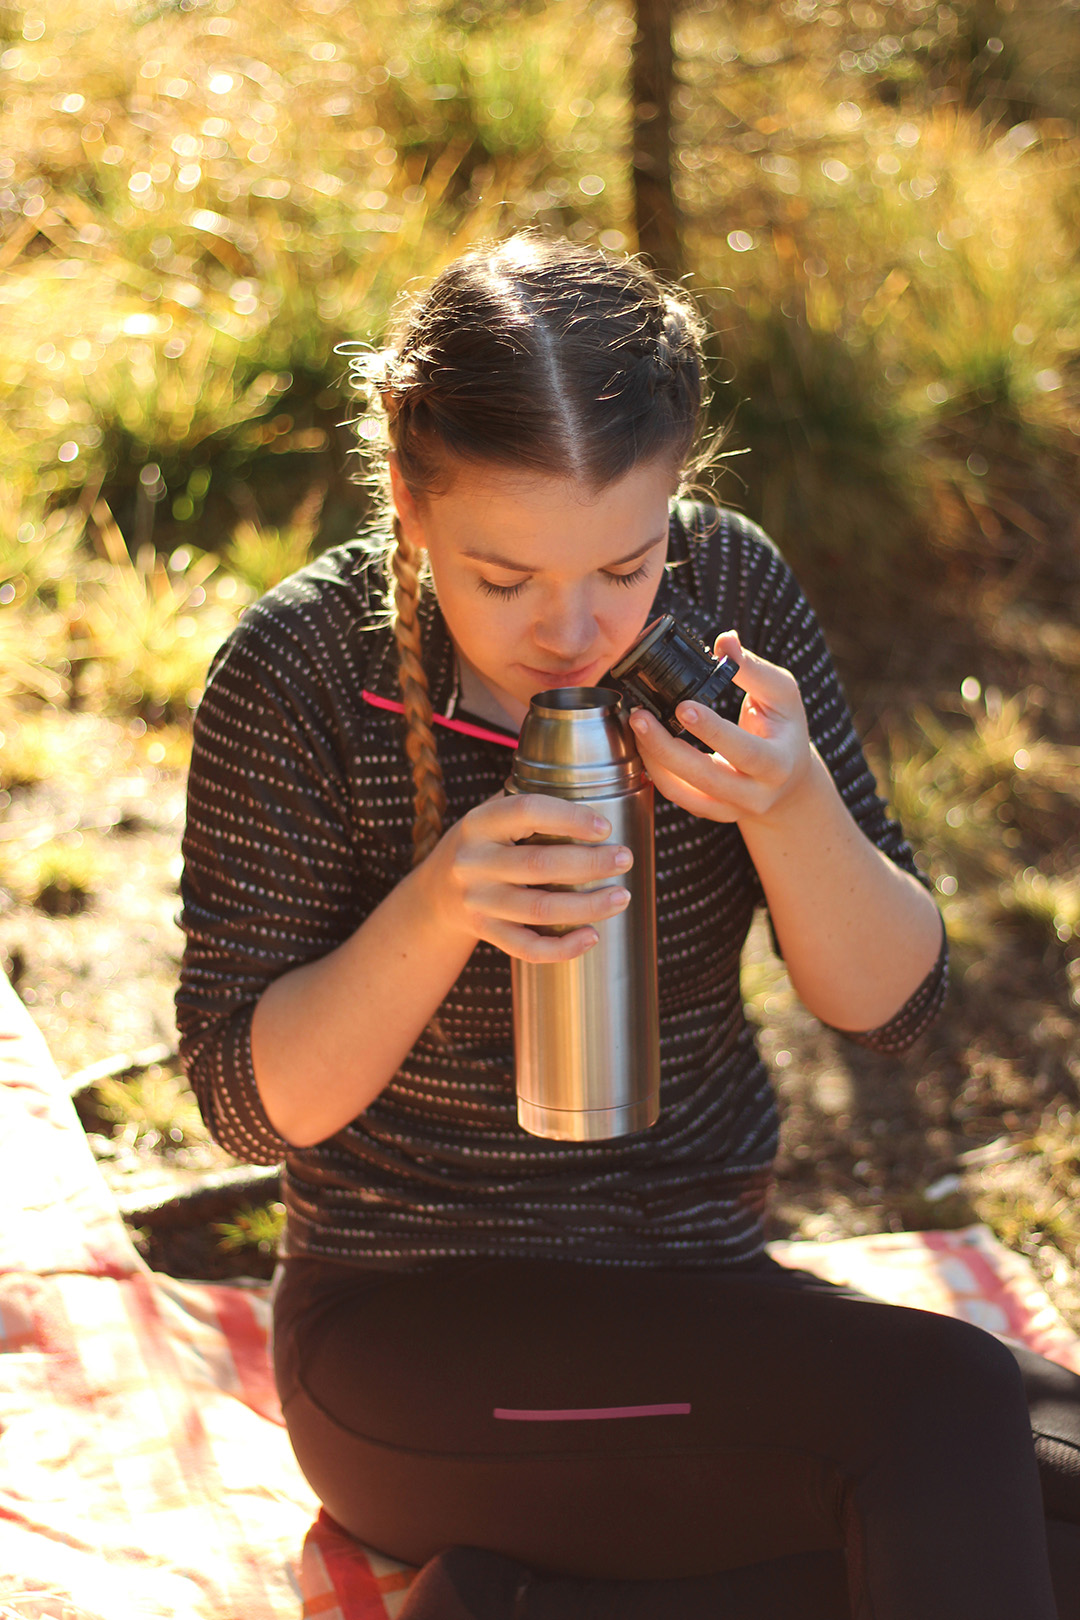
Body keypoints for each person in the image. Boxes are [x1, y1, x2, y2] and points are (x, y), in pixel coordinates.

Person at [176, 233, 1080, 1620]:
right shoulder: (301, 671)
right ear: (411, 504)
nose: (573, 627)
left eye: (625, 563)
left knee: (1024, 1506)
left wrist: (793, 811)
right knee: (943, 1410)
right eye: (503, 577)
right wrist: (439, 909)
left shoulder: (726, 601)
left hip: (703, 1293)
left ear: (679, 501)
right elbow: (248, 1107)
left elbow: (895, 1008)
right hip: (414, 1353)